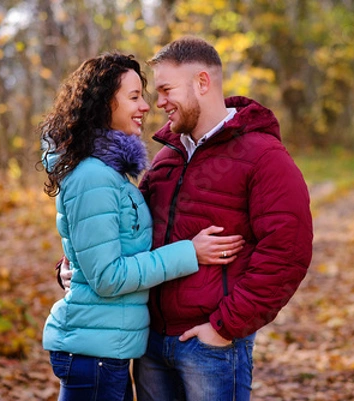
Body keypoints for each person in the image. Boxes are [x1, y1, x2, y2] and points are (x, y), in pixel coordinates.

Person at [61, 37, 314, 400]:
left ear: (202, 83)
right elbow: (121, 231)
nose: (156, 103)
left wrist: (226, 326)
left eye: (165, 90)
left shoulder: (263, 156)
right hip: (148, 343)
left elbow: (287, 252)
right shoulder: (165, 159)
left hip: (210, 347)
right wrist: (73, 265)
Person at [39, 52, 244, 401]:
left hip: (108, 349)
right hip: (94, 352)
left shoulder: (110, 173)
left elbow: (103, 248)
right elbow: (108, 277)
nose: (146, 106)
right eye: (134, 97)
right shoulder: (94, 176)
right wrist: (189, 252)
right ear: (104, 104)